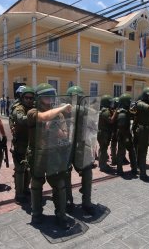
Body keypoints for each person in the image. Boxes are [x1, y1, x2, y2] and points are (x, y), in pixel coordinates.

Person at [27, 83, 72, 229]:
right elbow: (43, 117)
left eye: (52, 95)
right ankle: (36, 214)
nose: (50, 98)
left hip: (54, 154)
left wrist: (54, 129)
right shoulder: (32, 112)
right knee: (36, 184)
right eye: (47, 96)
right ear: (39, 98)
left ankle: (61, 215)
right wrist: (63, 107)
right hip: (38, 155)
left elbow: (65, 136)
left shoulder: (58, 114)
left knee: (59, 185)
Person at [64, 86, 97, 215]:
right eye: (75, 98)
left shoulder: (85, 110)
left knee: (88, 171)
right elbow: (73, 109)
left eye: (80, 98)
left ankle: (87, 202)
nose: (77, 101)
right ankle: (67, 201)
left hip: (83, 145)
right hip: (66, 145)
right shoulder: (64, 108)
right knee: (65, 173)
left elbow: (92, 118)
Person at [10, 86, 35, 204]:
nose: (29, 100)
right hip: (20, 143)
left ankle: (25, 189)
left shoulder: (34, 108)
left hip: (30, 143)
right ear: (22, 98)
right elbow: (21, 119)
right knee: (20, 170)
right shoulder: (18, 108)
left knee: (28, 169)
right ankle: (19, 194)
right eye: (27, 98)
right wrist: (37, 116)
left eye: (31, 98)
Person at [115, 93, 138, 176]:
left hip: (125, 136)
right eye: (128, 102)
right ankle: (120, 170)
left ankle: (134, 169)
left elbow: (133, 114)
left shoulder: (125, 112)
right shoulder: (122, 114)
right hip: (124, 137)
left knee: (131, 152)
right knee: (121, 153)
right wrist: (127, 138)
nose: (130, 103)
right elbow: (121, 127)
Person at [97, 95, 114, 172]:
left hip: (102, 133)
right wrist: (116, 113)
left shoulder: (102, 110)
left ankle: (101, 163)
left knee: (102, 148)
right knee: (103, 149)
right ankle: (103, 166)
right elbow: (110, 121)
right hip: (104, 133)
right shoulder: (105, 111)